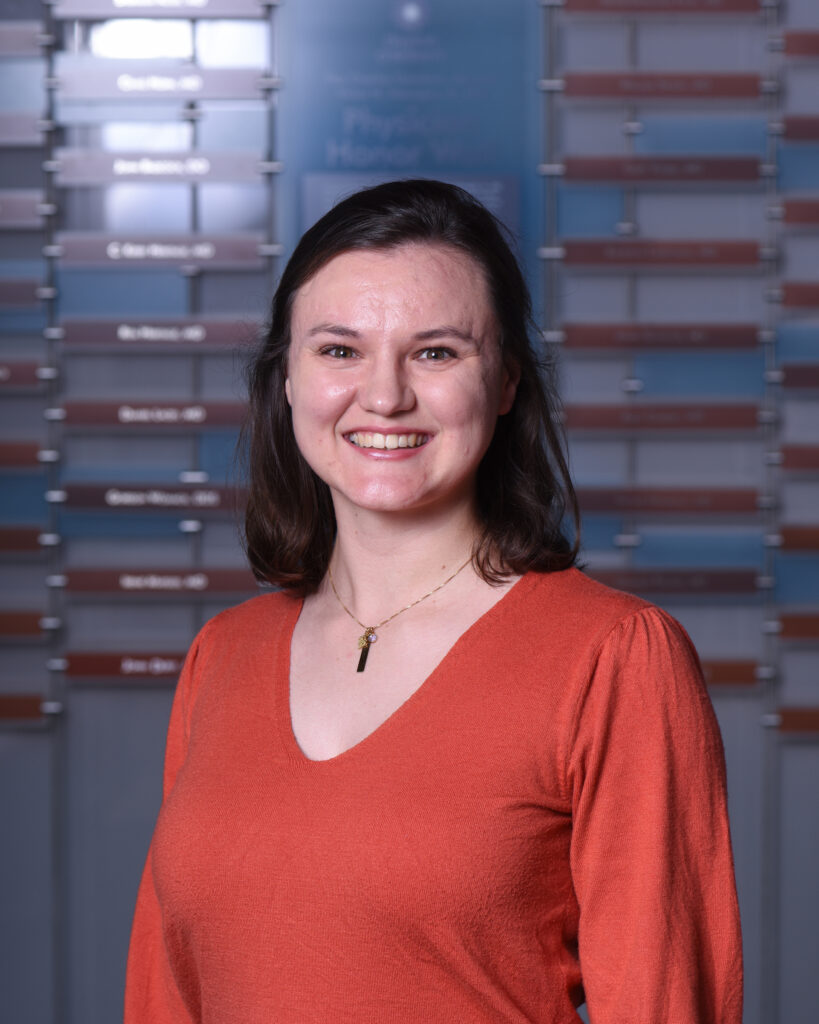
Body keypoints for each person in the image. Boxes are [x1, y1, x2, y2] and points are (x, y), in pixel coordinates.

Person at [124, 179, 743, 1023]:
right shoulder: (223, 654)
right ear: (286, 380)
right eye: (338, 351)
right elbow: (165, 993)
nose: (383, 396)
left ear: (506, 384)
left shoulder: (612, 658)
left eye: (436, 352)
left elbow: (665, 1003)